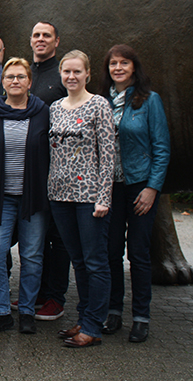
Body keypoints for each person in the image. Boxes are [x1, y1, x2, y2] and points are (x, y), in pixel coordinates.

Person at [0, 58, 50, 336]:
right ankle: (1, 313)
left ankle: (27, 312)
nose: (15, 81)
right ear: (3, 82)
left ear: (30, 82)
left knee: (32, 255)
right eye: (10, 77)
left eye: (20, 76)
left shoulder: (43, 113)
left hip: (34, 197)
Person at [100, 45, 171, 343]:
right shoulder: (102, 102)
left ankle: (141, 317)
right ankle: (114, 311)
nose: (118, 68)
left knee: (139, 254)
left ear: (134, 67)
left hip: (140, 186)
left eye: (124, 63)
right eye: (113, 63)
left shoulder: (149, 100)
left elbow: (162, 148)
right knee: (111, 252)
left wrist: (152, 188)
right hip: (111, 188)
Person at [48, 50, 116, 348]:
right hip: (59, 196)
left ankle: (93, 326)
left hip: (90, 197)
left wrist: (104, 197)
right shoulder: (55, 107)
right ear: (61, 74)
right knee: (78, 261)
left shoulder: (99, 105)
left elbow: (109, 155)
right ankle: (84, 317)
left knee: (95, 262)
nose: (72, 76)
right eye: (67, 71)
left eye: (77, 71)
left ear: (87, 74)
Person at [30, 21, 70, 322]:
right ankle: (39, 293)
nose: (40, 39)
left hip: (58, 170)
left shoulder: (61, 77)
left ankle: (56, 297)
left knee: (58, 237)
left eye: (46, 35)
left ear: (56, 41)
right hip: (32, 171)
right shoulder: (27, 74)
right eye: (36, 35)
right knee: (38, 237)